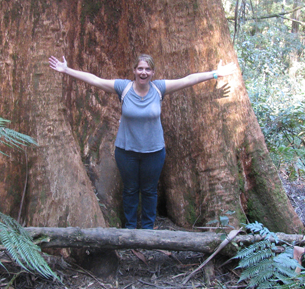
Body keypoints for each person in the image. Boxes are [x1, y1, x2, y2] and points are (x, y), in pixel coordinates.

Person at [48, 53, 236, 230]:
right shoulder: (124, 88)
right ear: (134, 71)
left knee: (149, 190)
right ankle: (130, 229)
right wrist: (67, 70)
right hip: (126, 151)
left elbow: (187, 80)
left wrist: (215, 74)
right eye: (140, 68)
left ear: (153, 72)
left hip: (154, 152)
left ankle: (147, 230)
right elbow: (96, 80)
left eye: (147, 69)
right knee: (130, 189)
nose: (143, 72)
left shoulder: (159, 88)